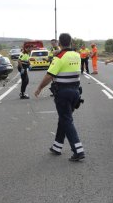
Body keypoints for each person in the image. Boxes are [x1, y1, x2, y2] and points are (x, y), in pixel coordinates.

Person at [35, 33, 85, 161]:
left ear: (60, 43)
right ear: (71, 42)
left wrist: (40, 87)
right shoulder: (77, 55)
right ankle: (57, 146)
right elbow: (67, 54)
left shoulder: (59, 57)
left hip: (63, 93)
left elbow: (49, 76)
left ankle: (78, 150)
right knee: (64, 118)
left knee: (66, 120)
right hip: (75, 92)